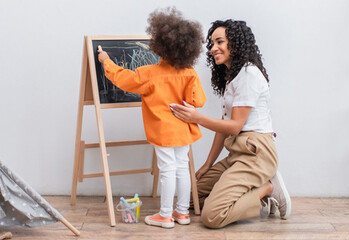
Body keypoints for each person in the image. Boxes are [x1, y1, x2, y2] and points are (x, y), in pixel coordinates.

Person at [170, 19, 291, 229]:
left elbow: (235, 127)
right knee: (190, 198)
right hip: (237, 153)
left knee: (212, 215)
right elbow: (224, 128)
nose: (213, 49)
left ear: (235, 43)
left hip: (256, 153)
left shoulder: (248, 74)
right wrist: (208, 164)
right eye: (211, 44)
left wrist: (196, 118)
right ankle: (244, 189)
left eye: (219, 42)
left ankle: (267, 188)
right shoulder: (232, 77)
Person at [97, 7, 205, 229]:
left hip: (162, 131)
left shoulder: (149, 74)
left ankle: (165, 216)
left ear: (160, 46)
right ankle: (182, 213)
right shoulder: (190, 73)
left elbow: (122, 78)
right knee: (182, 167)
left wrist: (106, 61)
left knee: (167, 169)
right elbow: (198, 102)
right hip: (183, 129)